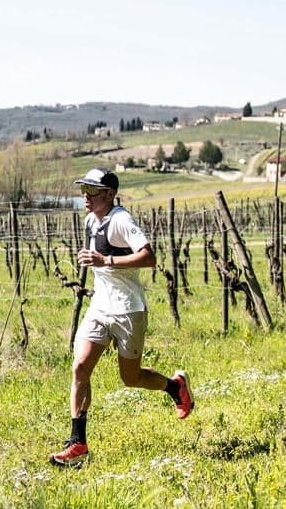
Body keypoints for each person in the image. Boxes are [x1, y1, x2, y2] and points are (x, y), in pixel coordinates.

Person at [49, 168, 194, 467]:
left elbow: (149, 257)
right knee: (80, 367)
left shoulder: (121, 220)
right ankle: (78, 444)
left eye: (92, 190)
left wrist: (106, 260)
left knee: (131, 378)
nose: (86, 196)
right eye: (84, 190)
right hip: (100, 308)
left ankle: (174, 386)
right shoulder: (91, 221)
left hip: (129, 309)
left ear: (110, 194)